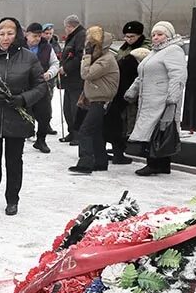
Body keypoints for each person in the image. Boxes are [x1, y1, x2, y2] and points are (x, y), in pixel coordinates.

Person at [0, 18, 47, 216]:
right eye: (2, 33)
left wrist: (23, 99)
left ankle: (12, 199)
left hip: (16, 117)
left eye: (10, 33)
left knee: (14, 160)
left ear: (17, 35)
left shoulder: (28, 58)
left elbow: (40, 86)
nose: (5, 38)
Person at [125, 21, 187, 176]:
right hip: (149, 100)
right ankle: (163, 165)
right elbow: (142, 75)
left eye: (160, 34)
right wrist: (132, 91)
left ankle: (154, 164)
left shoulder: (173, 50)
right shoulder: (155, 52)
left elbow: (178, 75)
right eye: (153, 35)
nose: (155, 38)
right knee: (156, 131)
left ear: (169, 35)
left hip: (162, 100)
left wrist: (172, 97)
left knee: (159, 131)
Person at [68, 27, 120, 174]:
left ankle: (86, 162)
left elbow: (86, 74)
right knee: (95, 132)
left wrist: (86, 56)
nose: (88, 46)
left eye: (91, 44)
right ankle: (100, 161)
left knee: (85, 131)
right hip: (95, 100)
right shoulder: (102, 58)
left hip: (101, 101)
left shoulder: (106, 60)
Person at [103, 21, 151, 164]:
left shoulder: (145, 48)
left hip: (136, 88)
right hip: (121, 87)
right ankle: (120, 145)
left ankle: (129, 144)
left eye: (132, 36)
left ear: (139, 35)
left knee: (132, 117)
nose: (128, 39)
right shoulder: (124, 48)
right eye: (126, 36)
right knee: (120, 118)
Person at [24, 22, 60, 154]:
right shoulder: (19, 47)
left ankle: (41, 140)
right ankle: (21, 139)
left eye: (39, 36)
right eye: (34, 36)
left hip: (41, 85)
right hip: (24, 86)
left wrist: (50, 73)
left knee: (44, 114)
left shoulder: (46, 47)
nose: (37, 39)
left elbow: (55, 63)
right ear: (27, 35)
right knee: (23, 115)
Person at [58, 14, 86, 145]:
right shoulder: (73, 37)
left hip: (76, 79)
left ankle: (78, 134)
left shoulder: (81, 36)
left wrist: (66, 68)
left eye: (66, 27)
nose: (65, 30)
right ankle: (72, 131)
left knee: (75, 108)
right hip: (69, 81)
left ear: (70, 26)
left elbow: (80, 57)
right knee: (67, 108)